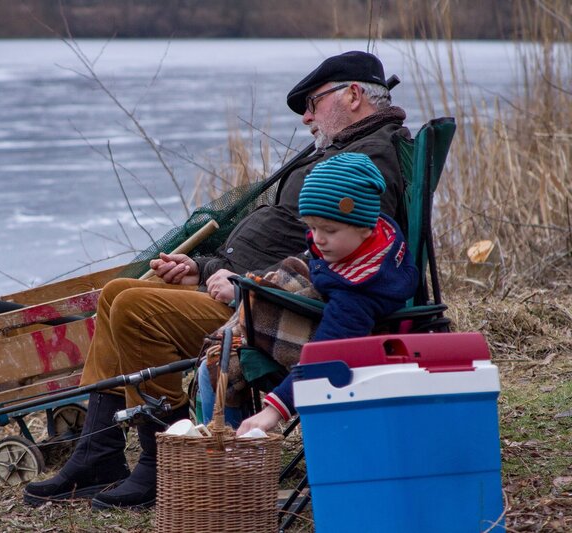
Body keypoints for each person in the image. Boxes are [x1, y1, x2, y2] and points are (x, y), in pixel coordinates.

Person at [24, 50, 412, 511]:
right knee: (116, 294)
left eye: (313, 102)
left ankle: (159, 463)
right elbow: (318, 246)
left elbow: (346, 264)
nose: (306, 117)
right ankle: (99, 453)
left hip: (275, 302)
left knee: (134, 309)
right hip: (244, 284)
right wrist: (205, 269)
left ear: (352, 95)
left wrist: (249, 286)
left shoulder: (368, 161)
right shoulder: (347, 152)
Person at [235, 152, 419, 436]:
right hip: (328, 305)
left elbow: (327, 354)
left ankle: (233, 450)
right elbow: (317, 244)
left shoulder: (360, 290)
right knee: (248, 304)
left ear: (365, 228)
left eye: (329, 230)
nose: (317, 238)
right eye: (311, 226)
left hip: (359, 344)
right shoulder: (369, 234)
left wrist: (275, 408)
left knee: (225, 359)